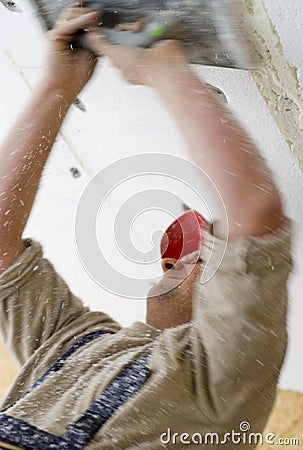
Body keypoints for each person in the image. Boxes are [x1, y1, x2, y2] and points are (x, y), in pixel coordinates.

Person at [0, 5, 292, 449]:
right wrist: (59, 86)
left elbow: (251, 219)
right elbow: (252, 221)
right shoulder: (79, 347)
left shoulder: (220, 387)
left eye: (210, 253)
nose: (181, 255)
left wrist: (161, 68)